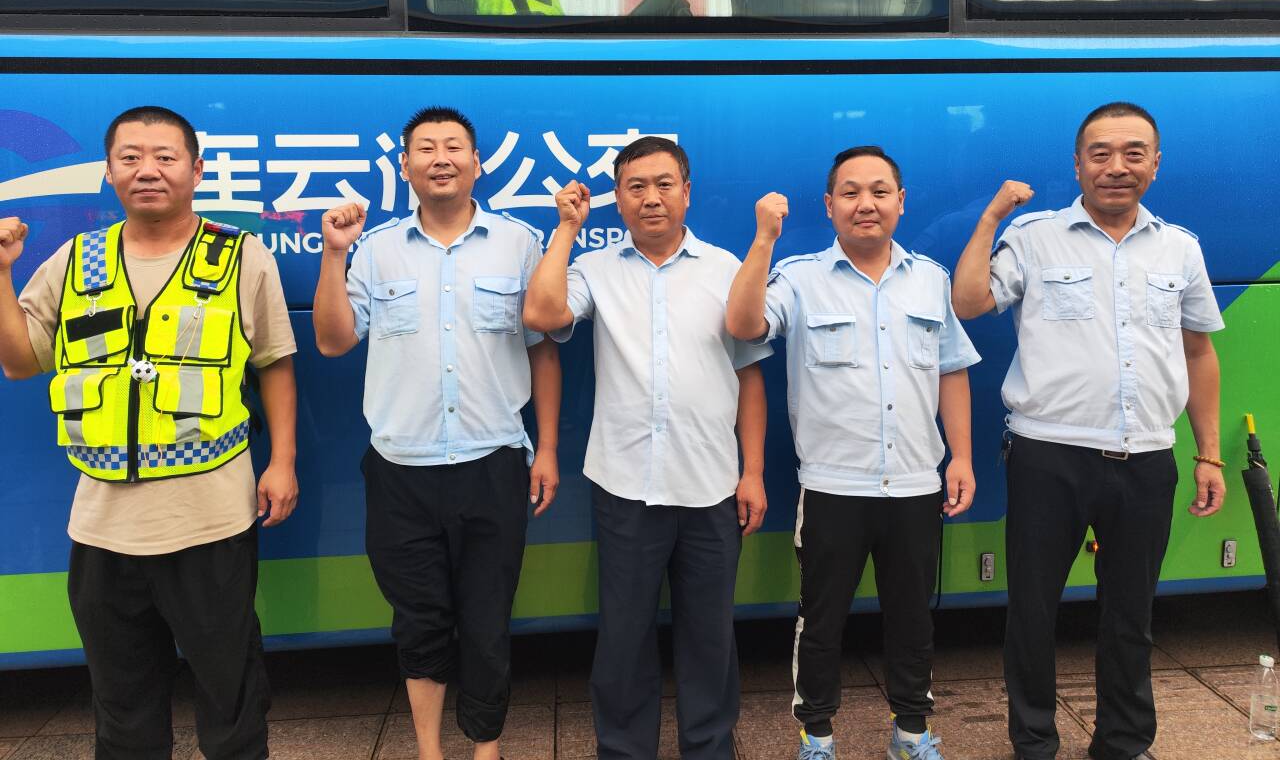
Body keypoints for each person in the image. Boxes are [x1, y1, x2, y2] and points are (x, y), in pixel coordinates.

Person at [0, 105, 298, 760]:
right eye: (130, 158)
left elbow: (275, 361)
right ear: (108, 173)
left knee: (231, 696)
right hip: (102, 528)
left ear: (197, 170)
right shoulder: (75, 261)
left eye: (165, 157)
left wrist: (283, 462)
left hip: (211, 521)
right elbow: (20, 362)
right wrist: (1, 272)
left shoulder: (240, 257)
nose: (148, 170)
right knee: (123, 708)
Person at [951, 102, 1226, 760]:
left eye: (1134, 153)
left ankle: (1123, 742)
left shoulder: (1180, 247)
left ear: (1155, 165)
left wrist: (1210, 454)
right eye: (1100, 154)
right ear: (1078, 165)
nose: (1116, 167)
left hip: (1146, 459)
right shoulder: (1035, 236)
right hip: (1048, 455)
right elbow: (968, 302)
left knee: (1131, 613)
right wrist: (991, 219)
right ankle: (1034, 741)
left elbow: (1198, 352)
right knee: (1033, 611)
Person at [312, 105, 560, 760]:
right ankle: (429, 749)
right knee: (419, 618)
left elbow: (542, 349)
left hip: (493, 459)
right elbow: (333, 340)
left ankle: (485, 746)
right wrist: (334, 254)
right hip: (401, 468)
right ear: (405, 166)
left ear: (477, 163)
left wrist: (548, 449)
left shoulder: (519, 243)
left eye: (454, 146)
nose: (440, 158)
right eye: (426, 148)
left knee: (487, 617)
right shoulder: (375, 248)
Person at [726, 145, 979, 760]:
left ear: (901, 201)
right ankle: (816, 736)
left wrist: (961, 458)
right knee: (821, 621)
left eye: (879, 191)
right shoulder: (799, 277)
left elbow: (951, 370)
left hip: (915, 483)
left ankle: (911, 733)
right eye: (850, 192)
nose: (866, 204)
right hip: (833, 487)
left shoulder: (930, 278)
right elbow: (743, 326)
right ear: (829, 205)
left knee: (913, 618)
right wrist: (763, 240)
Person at [523, 136, 770, 760]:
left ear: (687, 191)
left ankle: (708, 747)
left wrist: (754, 472)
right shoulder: (596, 269)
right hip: (625, 483)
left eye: (664, 184)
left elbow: (749, 375)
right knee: (624, 636)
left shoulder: (725, 269)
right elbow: (542, 315)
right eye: (635, 187)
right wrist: (566, 229)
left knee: (709, 637)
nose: (651, 198)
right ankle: (624, 749)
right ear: (618, 197)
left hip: (711, 483)